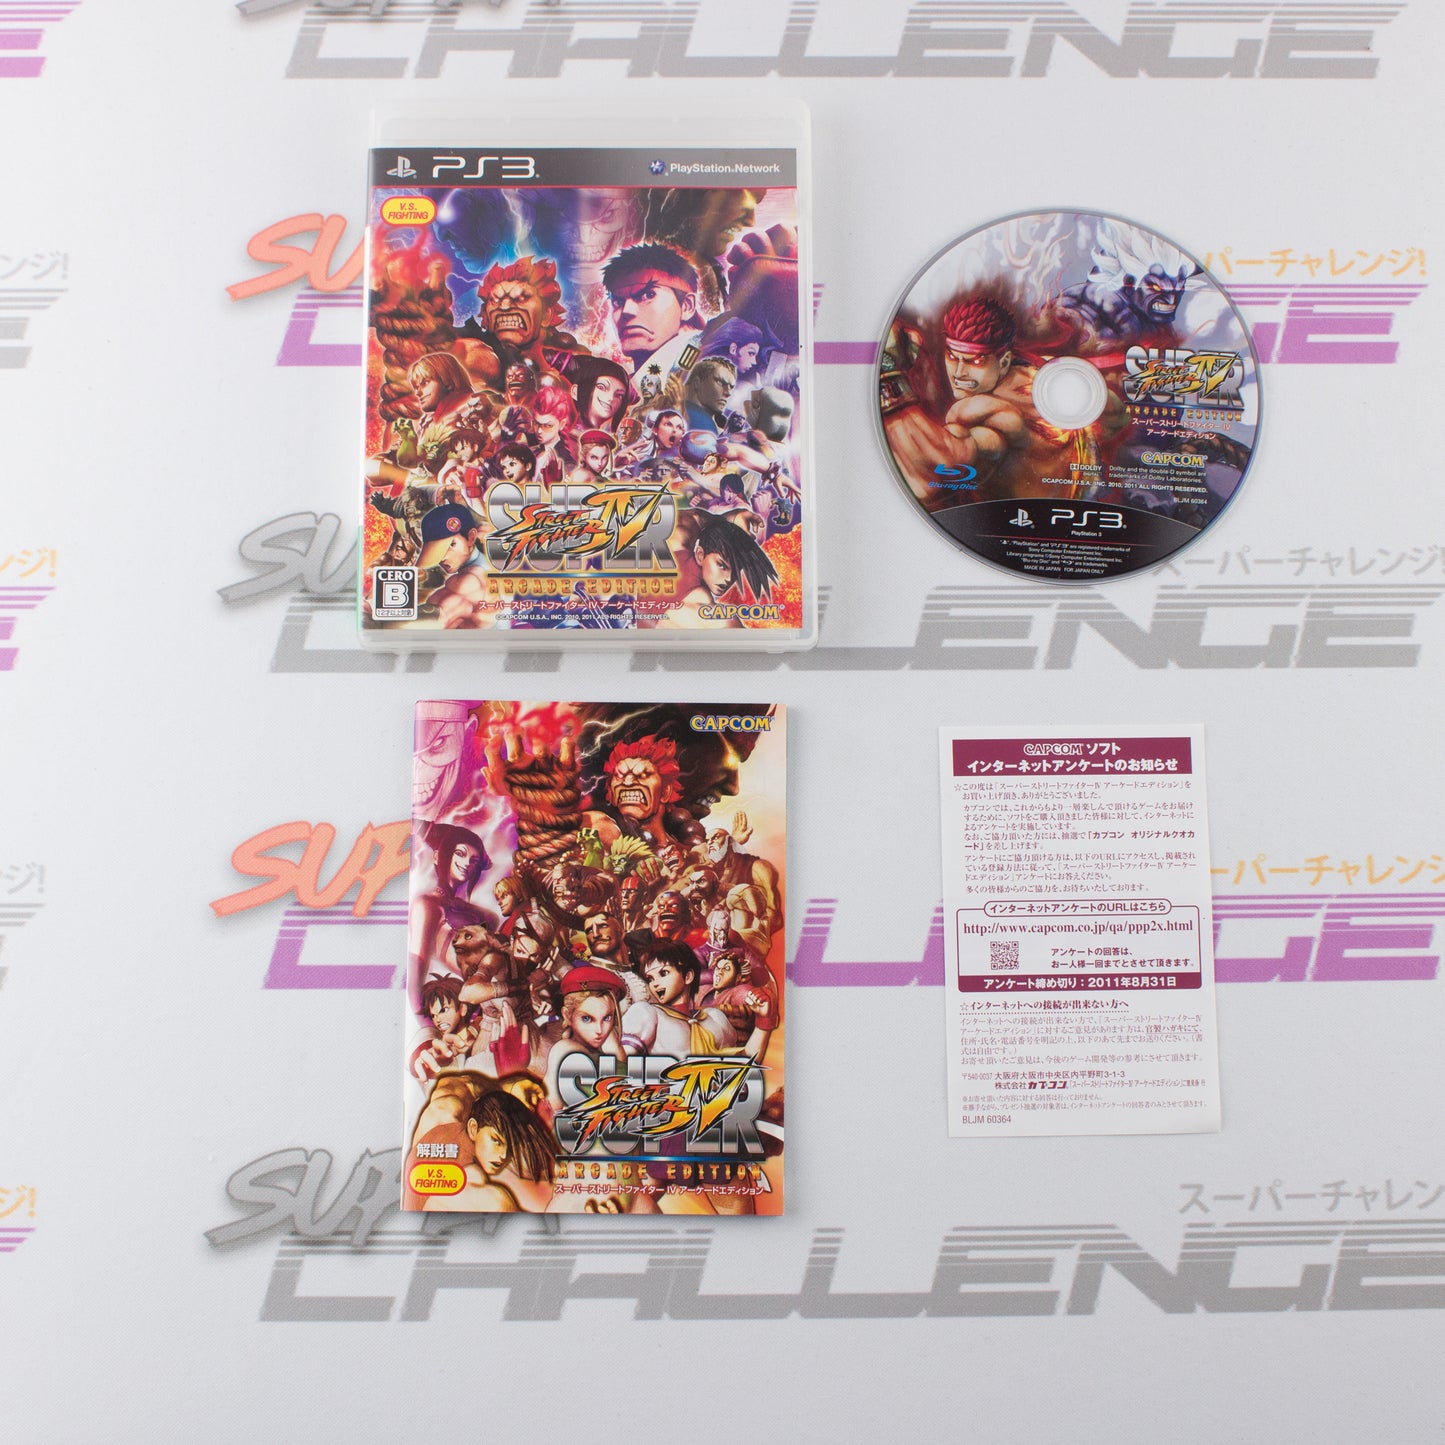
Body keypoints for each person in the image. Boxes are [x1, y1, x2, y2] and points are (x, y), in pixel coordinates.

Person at [422, 1088, 558, 1213]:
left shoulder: (443, 1122)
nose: (504, 1155)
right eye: (496, 1141)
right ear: (473, 1128)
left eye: (511, 1148)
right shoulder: (492, 1199)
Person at [602, 243, 702, 380]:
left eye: (648, 295)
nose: (626, 311)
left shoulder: (701, 372)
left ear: (687, 306)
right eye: (618, 302)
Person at [545, 964, 628, 1110]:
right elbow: (549, 1110)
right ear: (567, 1015)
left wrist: (616, 1049)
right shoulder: (564, 1049)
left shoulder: (611, 1049)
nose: (599, 1030)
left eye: (606, 1018)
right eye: (587, 1019)